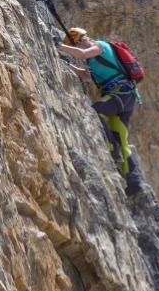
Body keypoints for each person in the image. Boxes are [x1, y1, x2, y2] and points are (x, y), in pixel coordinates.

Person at [58, 27, 144, 195]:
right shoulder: (93, 62)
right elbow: (86, 77)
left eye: (79, 44)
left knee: (94, 112)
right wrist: (68, 65)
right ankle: (134, 182)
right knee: (122, 139)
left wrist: (59, 46)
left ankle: (112, 148)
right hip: (125, 98)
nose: (82, 46)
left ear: (81, 41)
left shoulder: (100, 46)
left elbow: (82, 54)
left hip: (120, 94)